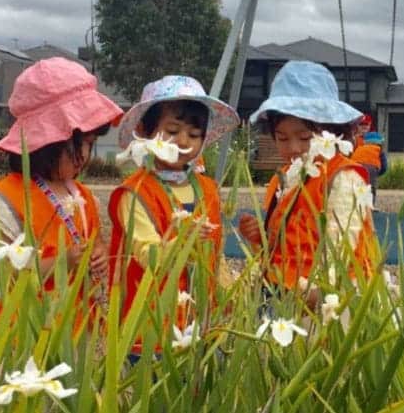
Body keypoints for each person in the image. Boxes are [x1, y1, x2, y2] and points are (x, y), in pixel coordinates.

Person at [0, 57, 123, 329]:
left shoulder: (83, 196)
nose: (86, 156)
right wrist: (61, 262)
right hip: (18, 334)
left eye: (91, 144)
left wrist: (99, 253)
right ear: (46, 144)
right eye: (80, 146)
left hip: (73, 330)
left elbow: (95, 239)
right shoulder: (2, 201)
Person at [108, 75, 239, 354]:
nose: (183, 141)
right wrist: (183, 240)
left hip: (204, 321)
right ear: (144, 131)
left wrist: (230, 292)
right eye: (172, 131)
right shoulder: (135, 193)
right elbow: (148, 256)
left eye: (193, 135)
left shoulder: (207, 188)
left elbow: (215, 254)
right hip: (153, 323)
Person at [238, 60, 376, 298]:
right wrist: (260, 236)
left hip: (323, 294)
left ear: (332, 132)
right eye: (282, 138)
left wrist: (324, 289)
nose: (293, 148)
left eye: (304, 138)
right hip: (279, 287)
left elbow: (344, 242)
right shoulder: (285, 177)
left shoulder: (343, 176)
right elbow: (283, 238)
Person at [352, 130, 386, 205]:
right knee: (371, 188)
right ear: (380, 143)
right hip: (372, 168)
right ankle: (370, 206)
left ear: (365, 142)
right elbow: (384, 166)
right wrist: (378, 173)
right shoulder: (379, 150)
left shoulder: (359, 148)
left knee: (357, 186)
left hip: (356, 167)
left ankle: (356, 204)